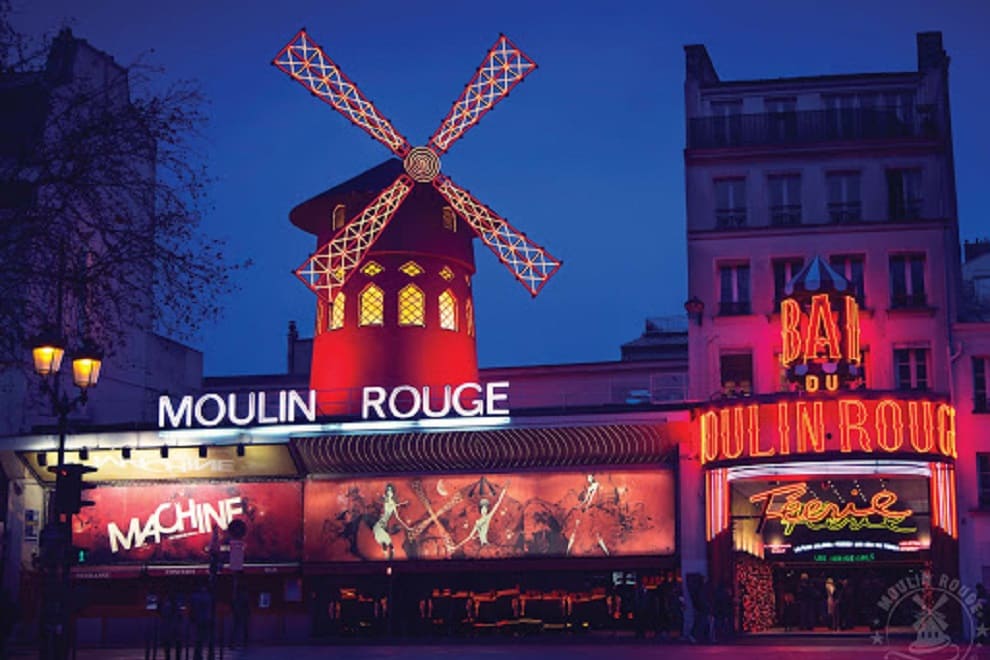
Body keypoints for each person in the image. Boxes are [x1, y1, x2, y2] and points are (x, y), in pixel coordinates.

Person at [158, 593, 183, 660]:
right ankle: (174, 657)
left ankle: (171, 657)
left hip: (170, 626)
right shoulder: (174, 604)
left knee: (172, 643)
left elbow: (160, 613)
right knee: (172, 643)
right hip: (171, 625)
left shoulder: (166, 604)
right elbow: (180, 615)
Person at [189, 586, 212, 660]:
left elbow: (192, 608)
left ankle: (198, 654)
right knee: (202, 637)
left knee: (199, 638)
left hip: (199, 619)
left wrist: (192, 617)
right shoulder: (208, 596)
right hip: (204, 619)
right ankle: (199, 654)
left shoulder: (194, 596)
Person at [0, 589, 18, 660]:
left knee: (4, 642)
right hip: (6, 625)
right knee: (4, 642)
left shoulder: (9, 605)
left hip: (5, 626)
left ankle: (3, 655)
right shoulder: (10, 604)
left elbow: (14, 615)